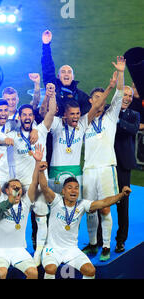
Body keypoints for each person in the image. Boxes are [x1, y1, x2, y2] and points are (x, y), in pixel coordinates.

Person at [38, 162, 132, 279]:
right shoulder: (56, 200)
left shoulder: (82, 204)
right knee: (50, 268)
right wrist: (41, 171)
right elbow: (44, 187)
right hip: (52, 248)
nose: (74, 191)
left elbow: (104, 202)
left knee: (90, 270)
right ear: (63, 191)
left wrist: (121, 195)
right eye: (70, 188)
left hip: (71, 249)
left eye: (76, 188)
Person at [3, 90, 57, 265]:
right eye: (24, 115)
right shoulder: (11, 135)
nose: (27, 117)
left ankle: (39, 253)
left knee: (41, 219)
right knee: (17, 220)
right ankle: (15, 250)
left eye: (29, 115)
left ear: (33, 117)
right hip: (21, 186)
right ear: (19, 117)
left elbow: (51, 111)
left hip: (40, 184)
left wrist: (52, 93)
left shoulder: (40, 130)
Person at [81, 56, 125, 262]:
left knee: (105, 207)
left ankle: (106, 245)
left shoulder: (110, 118)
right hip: (89, 169)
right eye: (95, 97)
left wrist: (121, 73)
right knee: (90, 208)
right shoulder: (84, 121)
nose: (100, 100)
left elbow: (119, 94)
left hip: (107, 168)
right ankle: (92, 244)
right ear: (91, 101)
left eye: (102, 97)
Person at [0, 144, 43, 279]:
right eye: (13, 187)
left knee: (33, 273)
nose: (17, 189)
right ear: (6, 190)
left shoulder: (25, 203)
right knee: (1, 273)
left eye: (18, 188)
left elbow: (34, 183)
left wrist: (37, 162)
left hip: (19, 250)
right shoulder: (0, 200)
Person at [113, 85, 140, 253]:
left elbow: (133, 129)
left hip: (123, 166)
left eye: (130, 95)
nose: (127, 98)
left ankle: (121, 240)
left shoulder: (134, 115)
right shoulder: (109, 110)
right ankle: (101, 239)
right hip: (106, 164)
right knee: (103, 202)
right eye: (124, 94)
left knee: (123, 204)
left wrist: (117, 120)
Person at [41, 29, 91, 116]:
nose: (66, 74)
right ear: (58, 76)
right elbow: (48, 68)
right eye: (63, 72)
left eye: (69, 72)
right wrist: (46, 45)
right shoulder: (52, 87)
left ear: (73, 77)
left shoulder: (81, 96)